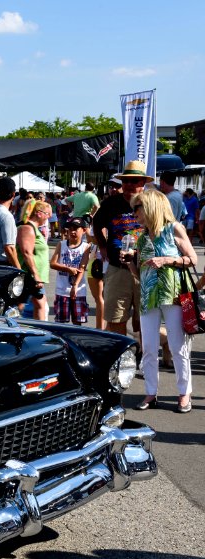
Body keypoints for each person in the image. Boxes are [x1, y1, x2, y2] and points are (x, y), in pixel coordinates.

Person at [121, 189, 197, 413]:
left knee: (177, 346)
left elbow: (192, 259)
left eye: (138, 208)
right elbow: (140, 274)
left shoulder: (173, 228)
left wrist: (167, 259)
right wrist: (129, 263)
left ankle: (185, 393)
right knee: (149, 348)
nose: (135, 214)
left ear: (151, 206)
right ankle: (151, 393)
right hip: (148, 296)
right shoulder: (142, 236)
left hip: (172, 295)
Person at [92, 160, 149, 336]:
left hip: (146, 269)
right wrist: (102, 245)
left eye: (134, 181)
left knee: (144, 317)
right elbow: (96, 222)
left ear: (143, 183)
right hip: (117, 268)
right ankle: (122, 356)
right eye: (125, 181)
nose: (129, 184)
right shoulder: (111, 202)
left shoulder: (151, 202)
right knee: (116, 317)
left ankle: (141, 353)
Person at [50, 217, 91, 325]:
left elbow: (82, 267)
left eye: (76, 229)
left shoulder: (85, 247)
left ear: (84, 230)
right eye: (70, 229)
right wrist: (67, 269)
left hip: (78, 290)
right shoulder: (62, 244)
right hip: (62, 290)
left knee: (77, 322)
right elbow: (52, 264)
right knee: (61, 323)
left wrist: (75, 286)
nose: (72, 232)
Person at [17, 200, 52, 320]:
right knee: (36, 305)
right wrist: (36, 275)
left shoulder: (33, 228)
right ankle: (41, 332)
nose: (49, 217)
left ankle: (38, 331)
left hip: (34, 276)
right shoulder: (27, 228)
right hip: (30, 275)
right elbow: (27, 253)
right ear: (39, 213)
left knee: (36, 305)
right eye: (47, 214)